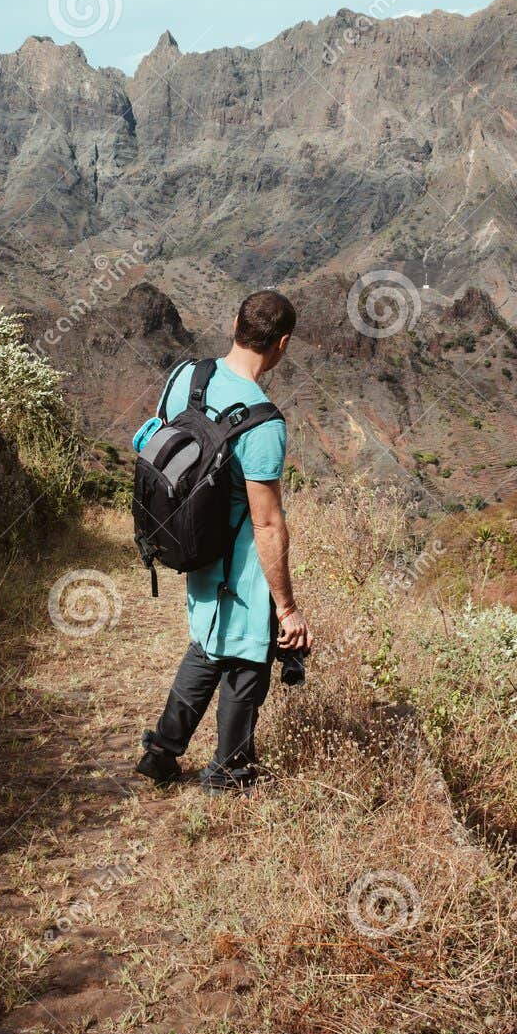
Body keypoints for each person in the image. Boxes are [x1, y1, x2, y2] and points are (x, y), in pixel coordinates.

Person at [135, 289, 313, 793]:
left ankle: (162, 753)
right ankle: (229, 774)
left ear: (235, 322)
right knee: (246, 660)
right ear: (282, 344)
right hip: (239, 561)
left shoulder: (185, 377)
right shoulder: (263, 421)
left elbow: (164, 446)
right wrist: (287, 607)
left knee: (209, 646)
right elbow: (268, 524)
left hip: (189, 541)